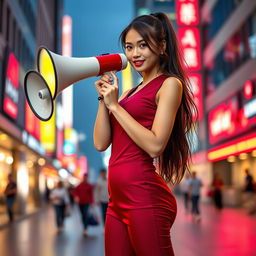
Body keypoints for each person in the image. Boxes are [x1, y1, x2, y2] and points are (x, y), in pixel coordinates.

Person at [93, 12, 196, 255]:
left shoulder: (170, 84)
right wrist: (104, 100)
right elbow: (100, 143)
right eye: (129, 47)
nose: (135, 54)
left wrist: (115, 107)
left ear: (161, 46)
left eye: (143, 45)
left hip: (145, 198)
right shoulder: (129, 93)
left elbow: (155, 145)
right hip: (116, 201)